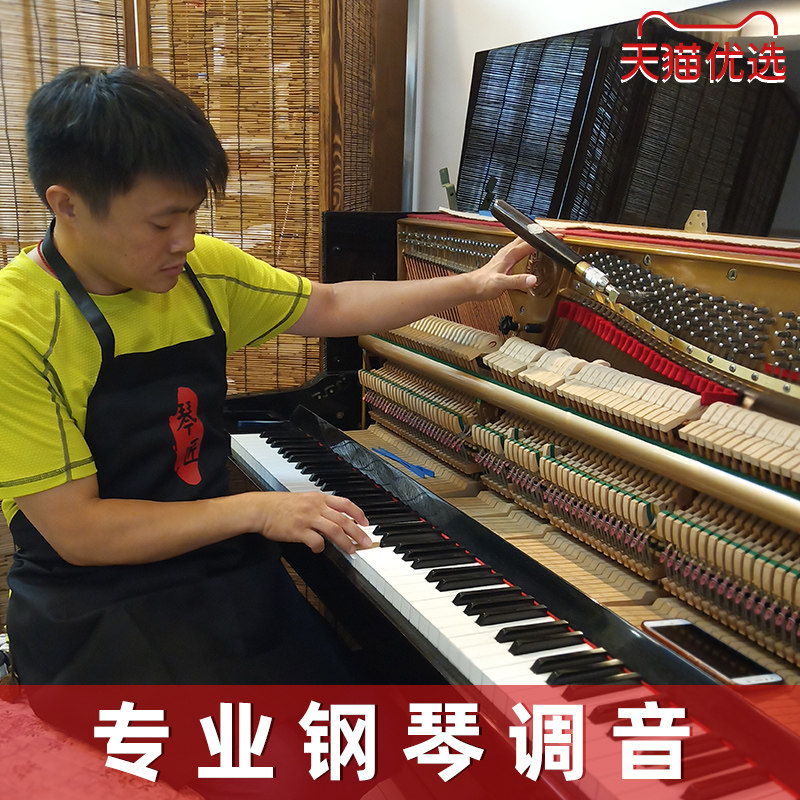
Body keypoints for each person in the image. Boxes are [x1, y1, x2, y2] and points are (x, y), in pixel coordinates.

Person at [0, 65, 536, 686]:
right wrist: (256, 510)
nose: (185, 241)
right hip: (94, 604)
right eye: (161, 223)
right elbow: (80, 532)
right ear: (66, 204)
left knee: (362, 706)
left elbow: (331, 305)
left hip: (215, 570)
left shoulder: (200, 272)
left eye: (192, 215)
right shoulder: (18, 327)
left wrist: (472, 284)